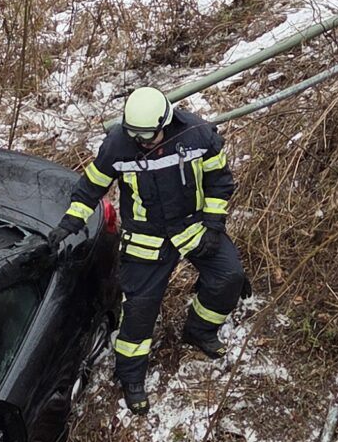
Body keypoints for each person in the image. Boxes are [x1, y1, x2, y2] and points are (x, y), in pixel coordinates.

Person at [59, 85, 245, 415]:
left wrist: (214, 226)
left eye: (150, 136)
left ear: (166, 122)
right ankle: (131, 377)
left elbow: (220, 180)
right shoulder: (118, 144)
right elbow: (91, 187)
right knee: (139, 311)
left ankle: (200, 330)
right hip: (147, 237)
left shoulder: (198, 135)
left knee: (229, 277)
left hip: (193, 226)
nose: (144, 143)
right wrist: (70, 222)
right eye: (138, 137)